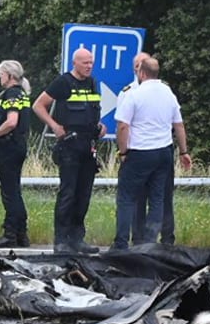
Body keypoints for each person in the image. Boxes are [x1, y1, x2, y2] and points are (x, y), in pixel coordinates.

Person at [114, 56, 192, 249]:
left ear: (141, 73)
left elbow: (123, 126)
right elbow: (179, 125)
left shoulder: (135, 94)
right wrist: (184, 151)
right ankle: (150, 242)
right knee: (158, 198)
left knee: (126, 198)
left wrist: (123, 152)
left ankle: (122, 242)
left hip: (140, 151)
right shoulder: (168, 93)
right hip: (164, 152)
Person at [33, 48, 105, 254]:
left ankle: (77, 238)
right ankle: (61, 239)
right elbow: (38, 105)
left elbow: (92, 111)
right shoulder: (63, 82)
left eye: (91, 62)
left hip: (88, 145)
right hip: (70, 146)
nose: (89, 66)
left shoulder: (92, 83)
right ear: (75, 63)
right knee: (68, 193)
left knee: (84, 194)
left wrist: (100, 127)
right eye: (85, 63)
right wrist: (54, 126)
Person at [0, 60, 32, 248]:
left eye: (1, 73)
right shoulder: (21, 93)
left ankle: (10, 234)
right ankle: (21, 233)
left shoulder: (11, 94)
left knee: (9, 192)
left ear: (10, 76)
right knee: (15, 190)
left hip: (9, 146)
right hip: (18, 145)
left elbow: (11, 121)